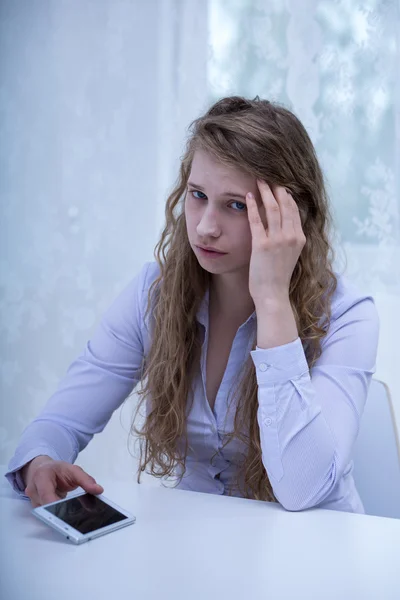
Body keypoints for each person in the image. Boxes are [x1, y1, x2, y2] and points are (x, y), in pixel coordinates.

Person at [5, 96, 379, 513]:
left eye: (236, 205)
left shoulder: (348, 316)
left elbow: (302, 489)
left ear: (290, 215)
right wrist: (39, 461)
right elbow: (60, 422)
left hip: (317, 553)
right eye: (198, 195)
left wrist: (272, 299)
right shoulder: (155, 293)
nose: (204, 227)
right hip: (201, 549)